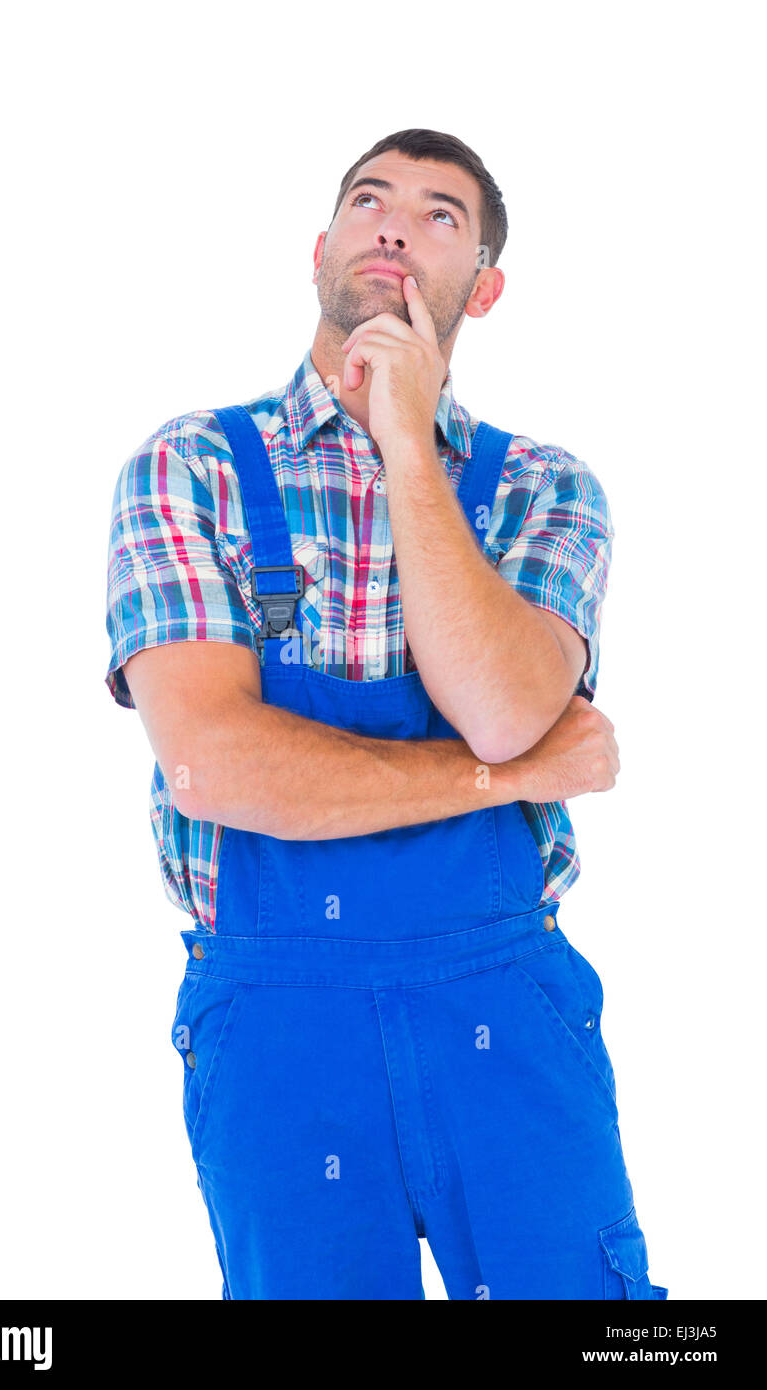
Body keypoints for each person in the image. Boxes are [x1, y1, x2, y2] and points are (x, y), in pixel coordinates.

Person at [103, 128, 667, 1301]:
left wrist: (405, 439)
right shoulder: (189, 468)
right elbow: (213, 767)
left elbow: (509, 708)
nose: (395, 222)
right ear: (321, 249)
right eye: (369, 199)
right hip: (276, 1020)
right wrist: (498, 780)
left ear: (485, 286)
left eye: (439, 213)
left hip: (503, 1005)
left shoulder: (541, 489)